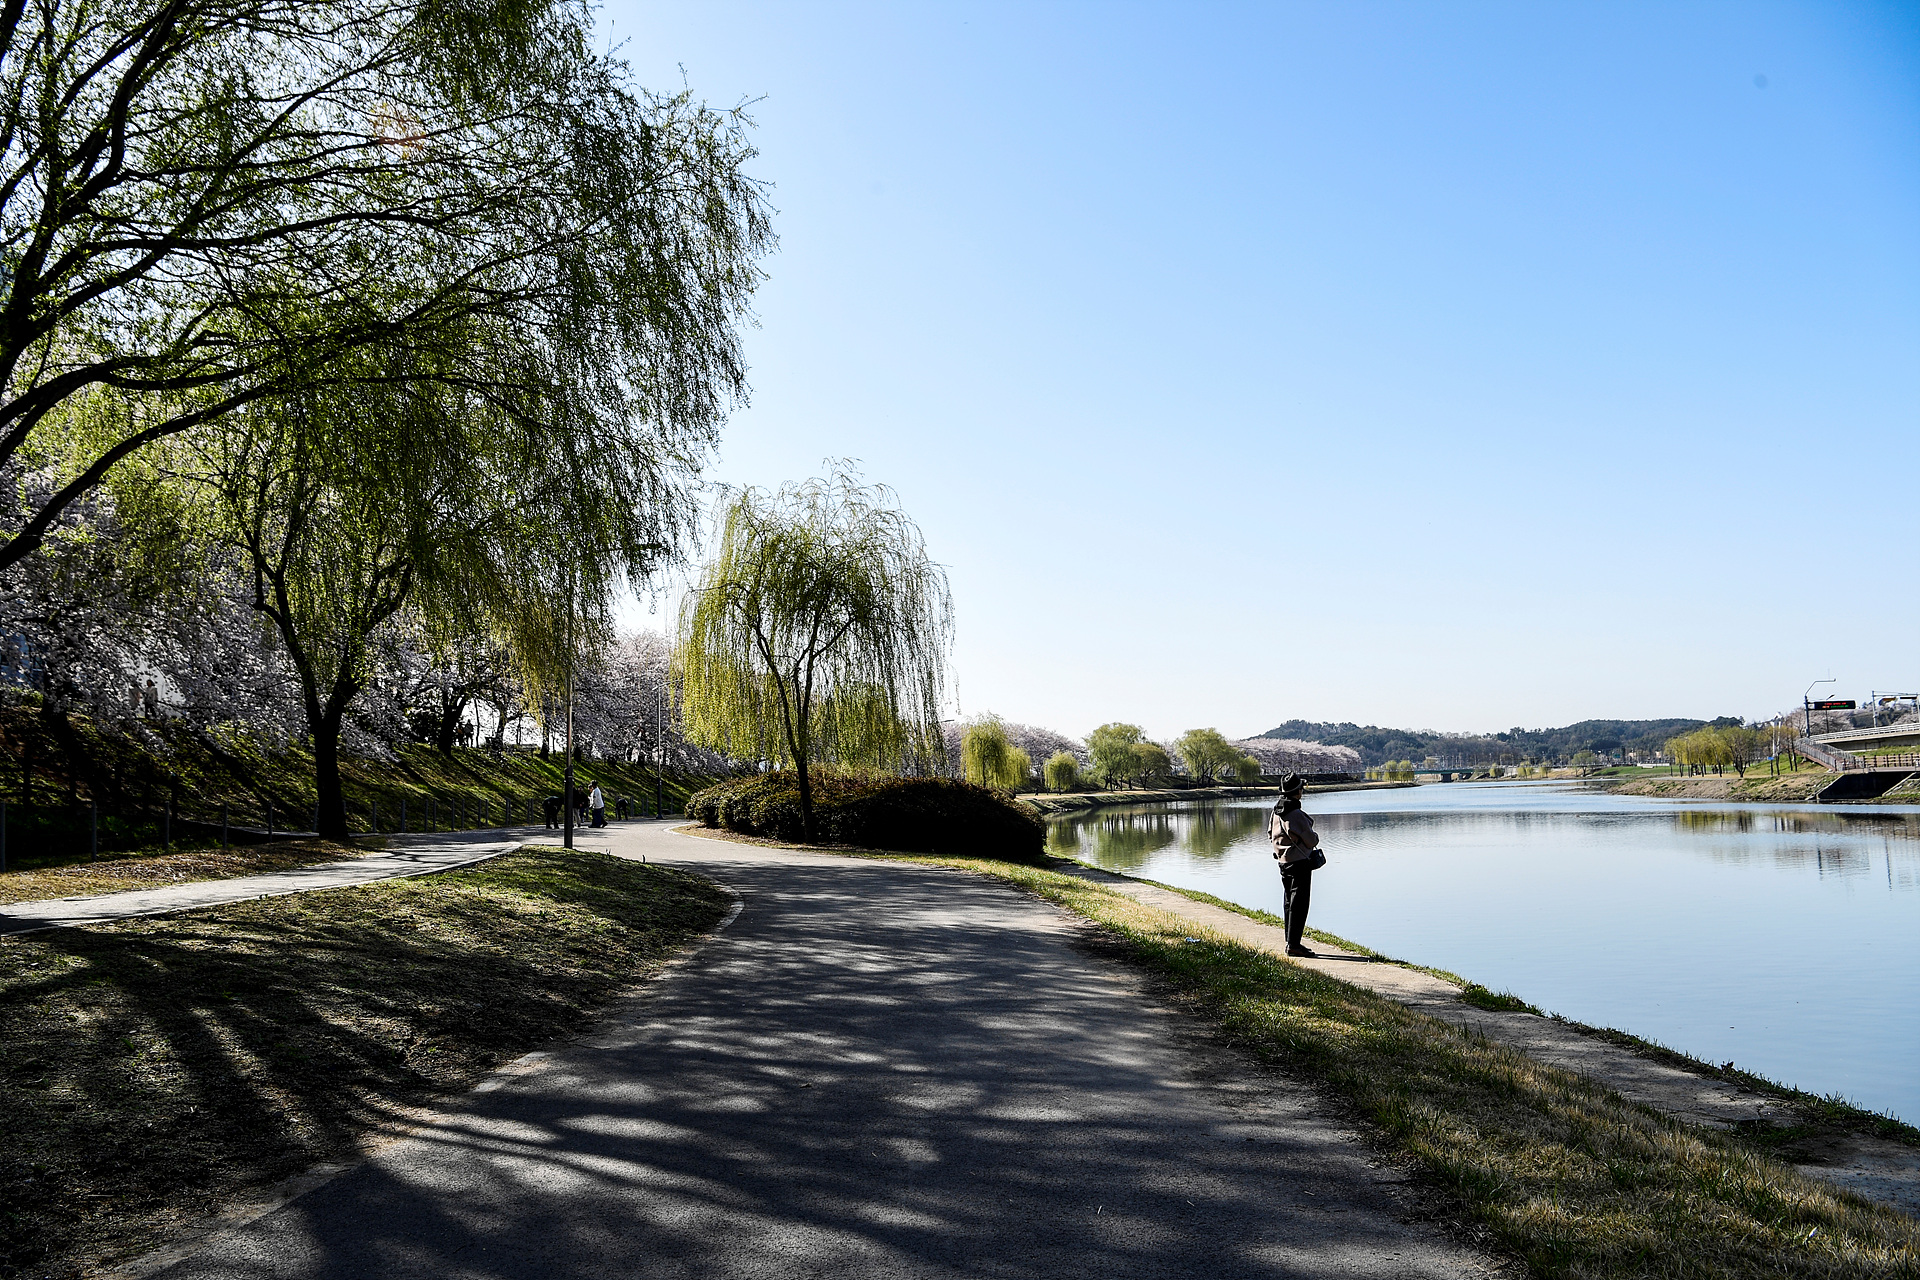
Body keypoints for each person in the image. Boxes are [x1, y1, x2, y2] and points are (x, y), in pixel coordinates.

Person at [1267, 772, 1322, 957]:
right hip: (1300, 863)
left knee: (1289, 902)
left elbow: (1270, 834)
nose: (1302, 792)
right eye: (1301, 789)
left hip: (1283, 862)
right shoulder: (1296, 814)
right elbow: (1311, 840)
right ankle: (1294, 945)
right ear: (1297, 791)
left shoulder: (1276, 811)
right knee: (1300, 904)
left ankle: (1290, 941)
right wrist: (1315, 837)